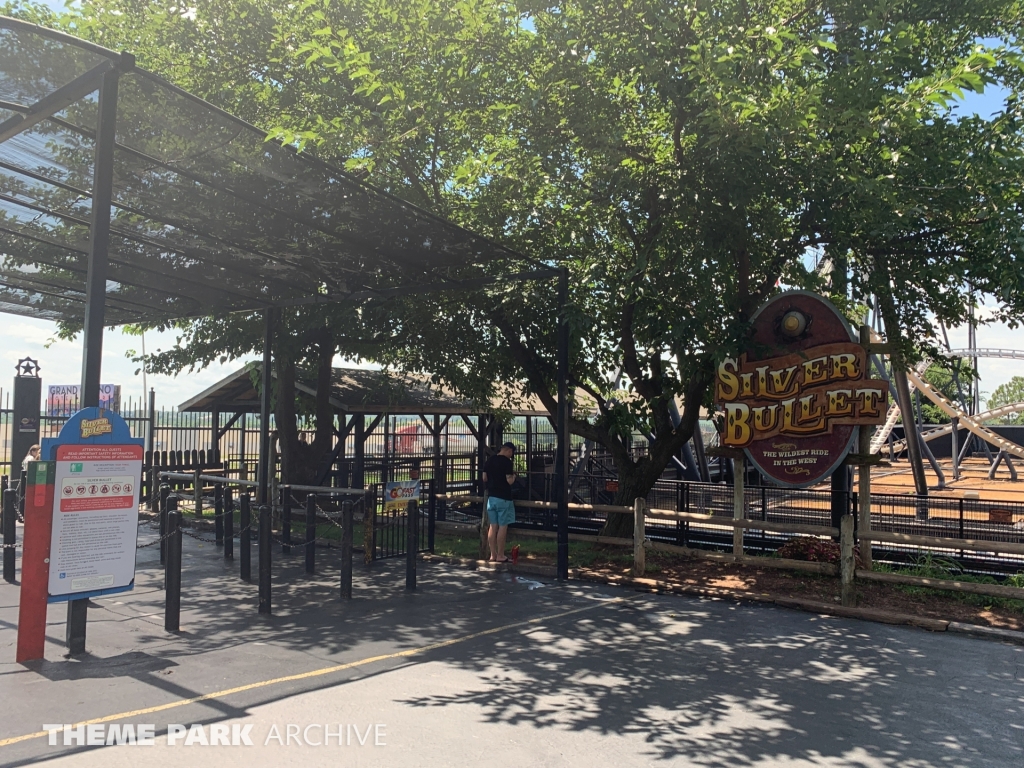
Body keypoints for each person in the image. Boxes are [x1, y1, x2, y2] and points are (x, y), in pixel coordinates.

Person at [482, 442, 517, 562]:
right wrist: (514, 477)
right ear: (509, 451)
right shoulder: (507, 462)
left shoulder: (490, 460)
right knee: (503, 527)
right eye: (512, 453)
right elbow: (509, 481)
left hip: (491, 498)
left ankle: (493, 554)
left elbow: (484, 478)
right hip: (504, 498)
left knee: (493, 526)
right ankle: (501, 555)